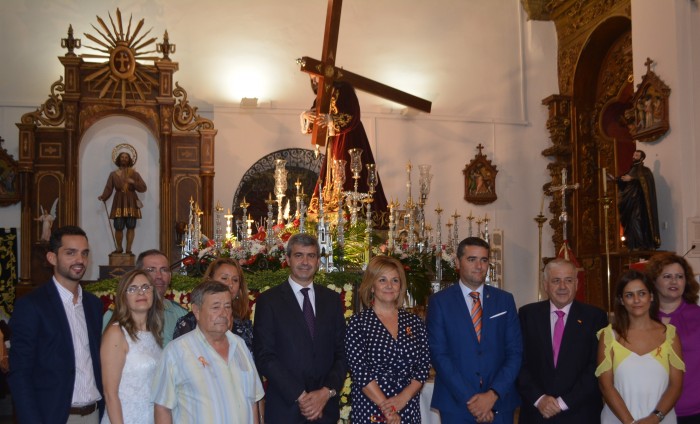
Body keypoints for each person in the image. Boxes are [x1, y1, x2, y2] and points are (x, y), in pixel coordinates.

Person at [8, 225, 104, 423]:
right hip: (54, 416)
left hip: (94, 414)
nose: (80, 260)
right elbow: (20, 373)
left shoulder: (93, 305)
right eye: (71, 253)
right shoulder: (32, 305)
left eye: (84, 253)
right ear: (52, 258)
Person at [426, 236, 522, 423]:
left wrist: (492, 395)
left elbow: (515, 352)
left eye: (484, 260)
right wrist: (473, 401)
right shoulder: (439, 302)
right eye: (472, 259)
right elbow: (439, 355)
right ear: (457, 262)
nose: (479, 266)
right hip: (456, 404)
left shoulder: (505, 300)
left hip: (499, 404)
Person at [254, 233, 347, 423]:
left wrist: (326, 392)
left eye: (311, 255)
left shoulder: (332, 300)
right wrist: (301, 396)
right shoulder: (269, 301)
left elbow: (343, 352)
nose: (305, 261)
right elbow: (264, 355)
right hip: (285, 409)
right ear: (287, 259)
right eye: (299, 255)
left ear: (318, 261)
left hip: (325, 410)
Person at [152, 279, 263, 423]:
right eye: (216, 307)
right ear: (197, 311)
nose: (223, 313)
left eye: (227, 307)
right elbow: (162, 407)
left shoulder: (240, 345)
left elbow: (253, 401)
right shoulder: (177, 351)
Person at [517, 258, 608, 423]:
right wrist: (539, 399)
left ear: (577, 284)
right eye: (556, 281)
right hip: (537, 413)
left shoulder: (595, 317)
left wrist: (562, 403)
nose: (562, 287)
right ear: (545, 285)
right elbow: (517, 362)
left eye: (568, 280)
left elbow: (596, 367)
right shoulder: (527, 315)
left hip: (580, 414)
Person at [345, 255, 430, 423]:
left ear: (401, 286)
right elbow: (360, 372)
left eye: (395, 280)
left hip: (407, 406)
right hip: (372, 408)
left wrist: (403, 398)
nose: (389, 286)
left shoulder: (414, 322)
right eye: (382, 280)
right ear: (371, 286)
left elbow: (423, 366)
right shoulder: (358, 324)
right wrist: (389, 409)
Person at [596, 269, 685, 423]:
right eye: (629, 295)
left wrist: (655, 418)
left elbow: (675, 385)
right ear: (622, 301)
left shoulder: (669, 335)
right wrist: (630, 422)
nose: (636, 300)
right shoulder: (609, 336)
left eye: (642, 293)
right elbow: (606, 386)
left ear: (651, 296)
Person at [301, 76, 388, 217]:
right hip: (333, 142)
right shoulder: (321, 97)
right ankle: (330, 209)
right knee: (329, 178)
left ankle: (351, 212)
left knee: (349, 175)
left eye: (316, 77)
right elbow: (316, 122)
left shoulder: (344, 90)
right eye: (312, 80)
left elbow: (352, 114)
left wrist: (331, 119)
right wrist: (306, 116)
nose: (315, 82)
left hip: (350, 138)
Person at [101, 269, 163, 424]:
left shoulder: (153, 333)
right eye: (133, 289)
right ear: (123, 297)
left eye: (145, 287)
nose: (141, 293)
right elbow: (110, 393)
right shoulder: (117, 333)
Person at [646, 253, 700, 423]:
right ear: (654, 281)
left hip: (693, 409)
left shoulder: (697, 316)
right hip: (650, 409)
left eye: (679, 277)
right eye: (667, 276)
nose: (674, 281)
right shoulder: (642, 318)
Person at [103, 249, 188, 346]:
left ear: (170, 276)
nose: (159, 276)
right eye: (151, 270)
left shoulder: (180, 314)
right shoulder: (116, 315)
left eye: (164, 270)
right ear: (138, 274)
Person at [173, 257, 253, 352]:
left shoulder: (243, 324)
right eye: (224, 278)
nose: (230, 284)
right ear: (209, 280)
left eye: (235, 280)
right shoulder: (190, 322)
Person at [98, 148, 147, 254]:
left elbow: (143, 188)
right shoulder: (113, 174)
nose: (124, 159)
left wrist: (133, 182)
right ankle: (119, 248)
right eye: (122, 157)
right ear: (118, 159)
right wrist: (103, 196)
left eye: (126, 157)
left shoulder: (134, 174)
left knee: (131, 225)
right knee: (118, 226)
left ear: (129, 160)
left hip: (131, 200)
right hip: (119, 200)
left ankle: (129, 249)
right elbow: (109, 188)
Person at [613, 149, 660, 250]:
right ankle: (632, 244)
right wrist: (618, 180)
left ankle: (641, 244)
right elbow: (625, 183)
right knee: (630, 223)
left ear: (642, 158)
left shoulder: (645, 171)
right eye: (634, 154)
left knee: (637, 221)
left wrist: (633, 179)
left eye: (637, 155)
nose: (634, 156)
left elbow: (645, 182)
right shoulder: (631, 170)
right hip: (630, 202)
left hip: (640, 203)